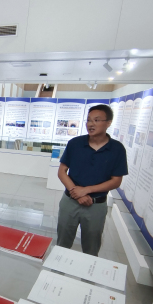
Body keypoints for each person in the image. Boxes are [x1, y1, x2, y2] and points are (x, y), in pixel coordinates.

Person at [56, 104, 128, 256]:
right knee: (62, 244)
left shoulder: (117, 149)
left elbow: (116, 181)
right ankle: (56, 269)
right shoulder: (75, 144)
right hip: (70, 202)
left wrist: (87, 190)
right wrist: (77, 193)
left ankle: (88, 272)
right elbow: (62, 171)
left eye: (96, 120)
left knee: (91, 248)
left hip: (96, 206)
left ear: (108, 123)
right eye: (88, 120)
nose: (91, 124)